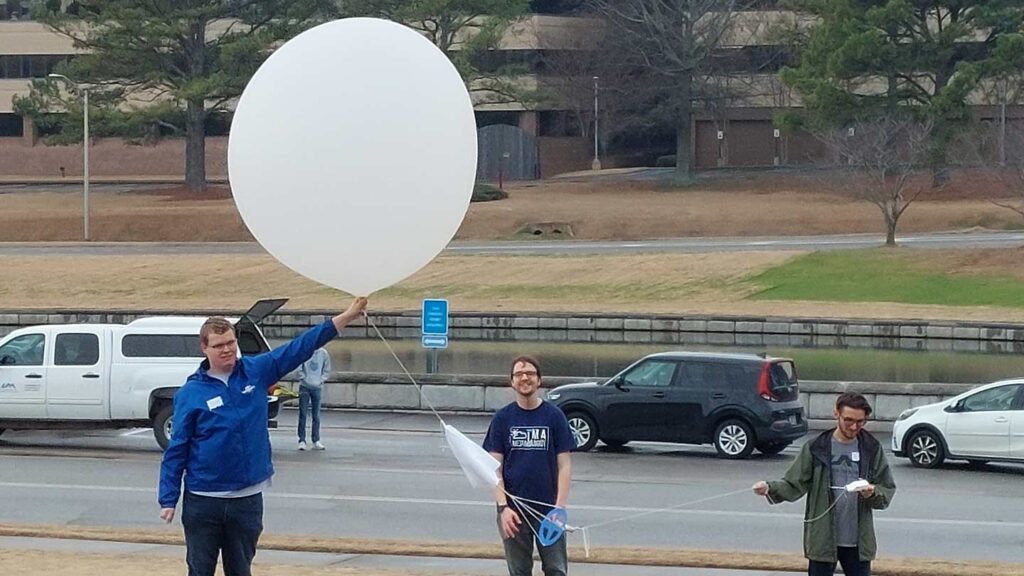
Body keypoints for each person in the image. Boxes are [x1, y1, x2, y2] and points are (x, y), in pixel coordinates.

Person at [158, 297, 367, 576]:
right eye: (219, 345)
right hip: (204, 500)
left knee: (241, 570)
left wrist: (347, 316)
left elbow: (300, 347)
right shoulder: (191, 393)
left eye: (231, 343)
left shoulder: (256, 371)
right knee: (200, 570)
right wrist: (168, 498)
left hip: (246, 500)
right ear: (204, 348)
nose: (227, 350)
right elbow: (177, 449)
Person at [752, 392, 896, 576]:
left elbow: (887, 488)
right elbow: (794, 483)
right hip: (823, 538)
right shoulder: (816, 447)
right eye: (849, 420)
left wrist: (872, 493)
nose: (854, 427)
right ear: (836, 413)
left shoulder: (871, 448)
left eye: (860, 422)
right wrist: (769, 488)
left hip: (858, 542)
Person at [483, 355, 573, 576]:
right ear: (512, 382)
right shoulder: (502, 419)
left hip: (548, 510)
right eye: (519, 374)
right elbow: (493, 469)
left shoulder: (554, 416)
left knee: (556, 569)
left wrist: (559, 508)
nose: (525, 378)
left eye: (530, 374)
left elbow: (565, 466)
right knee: (519, 571)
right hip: (513, 510)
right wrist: (503, 508)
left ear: (539, 380)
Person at [296, 346, 331, 451]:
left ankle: (316, 440)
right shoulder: (305, 350)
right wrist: (303, 378)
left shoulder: (323, 353)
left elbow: (327, 369)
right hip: (304, 386)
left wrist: (321, 380)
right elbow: (299, 367)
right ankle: (301, 440)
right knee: (303, 413)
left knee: (316, 415)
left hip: (317, 387)